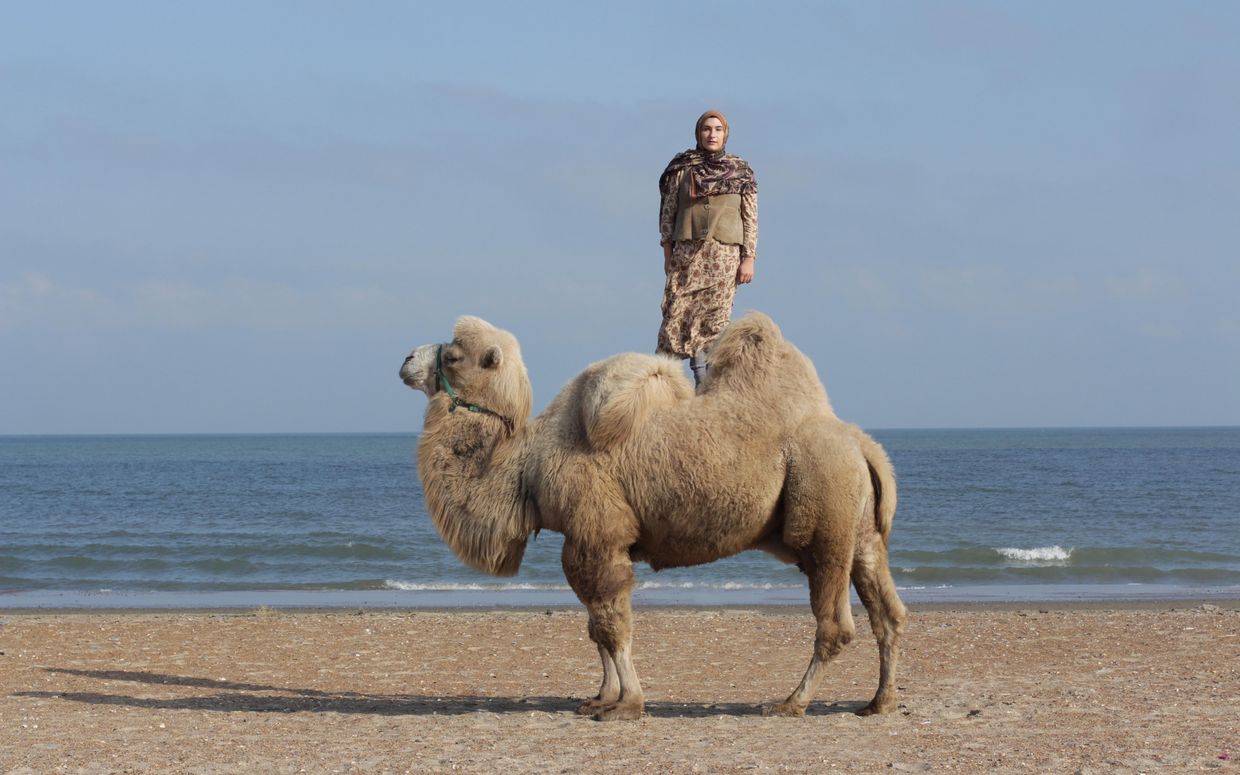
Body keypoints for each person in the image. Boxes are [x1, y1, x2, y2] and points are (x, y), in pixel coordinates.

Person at [656, 110, 758, 387]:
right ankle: (674, 384)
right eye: (706, 129)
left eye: (718, 130)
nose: (712, 134)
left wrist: (748, 258)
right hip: (686, 257)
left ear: (726, 134)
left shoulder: (741, 172)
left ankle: (705, 384)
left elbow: (750, 217)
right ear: (698, 133)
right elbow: (668, 214)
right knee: (680, 317)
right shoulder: (681, 169)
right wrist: (668, 255)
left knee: (714, 322)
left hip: (723, 257)